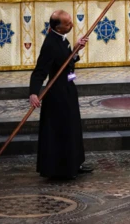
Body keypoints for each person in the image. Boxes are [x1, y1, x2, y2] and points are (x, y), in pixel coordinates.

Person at [29, 10, 91, 179]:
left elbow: (67, 62)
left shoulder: (62, 39)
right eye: (68, 24)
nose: (71, 25)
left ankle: (74, 164)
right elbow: (40, 71)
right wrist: (34, 92)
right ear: (58, 27)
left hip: (68, 89)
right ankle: (60, 169)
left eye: (70, 22)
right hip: (57, 94)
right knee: (61, 130)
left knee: (72, 128)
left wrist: (76, 49)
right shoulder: (50, 44)